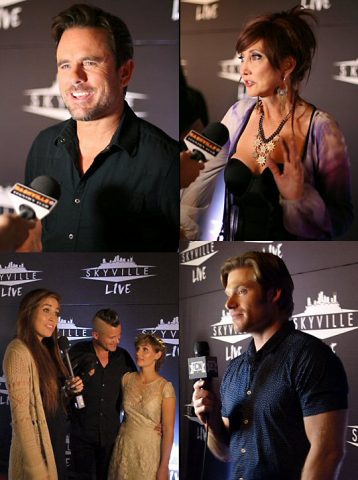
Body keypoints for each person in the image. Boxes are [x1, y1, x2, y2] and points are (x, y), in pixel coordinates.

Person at [181, 6, 353, 240]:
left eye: (256, 57)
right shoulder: (237, 114)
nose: (244, 70)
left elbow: (342, 219)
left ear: (287, 65)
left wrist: (299, 198)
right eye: (243, 57)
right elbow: (200, 182)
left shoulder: (322, 129)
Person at [24, 3, 179, 252]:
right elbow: (35, 235)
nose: (75, 76)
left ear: (125, 72)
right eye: (64, 65)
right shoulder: (43, 146)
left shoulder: (166, 161)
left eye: (90, 62)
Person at [192, 251, 348, 480]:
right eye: (228, 294)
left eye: (242, 291)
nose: (229, 303)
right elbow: (225, 452)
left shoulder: (311, 357)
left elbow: (327, 453)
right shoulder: (234, 369)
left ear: (274, 293)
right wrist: (212, 421)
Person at [2, 288, 83, 480]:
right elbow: (21, 418)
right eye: (46, 310)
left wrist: (67, 392)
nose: (53, 318)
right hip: (37, 453)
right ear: (29, 311)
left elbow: (47, 404)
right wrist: (36, 467)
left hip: (53, 442)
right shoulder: (18, 351)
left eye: (56, 313)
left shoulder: (46, 350)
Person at [68, 308, 136, 480]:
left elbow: (137, 390)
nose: (117, 340)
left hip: (111, 437)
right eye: (112, 337)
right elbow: (57, 388)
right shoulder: (76, 353)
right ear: (96, 335)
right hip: (81, 435)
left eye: (119, 335)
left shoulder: (123, 357)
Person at [109, 333, 176, 480]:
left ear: (157, 354)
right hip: (124, 448)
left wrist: (164, 466)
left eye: (145, 349)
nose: (138, 353)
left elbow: (169, 430)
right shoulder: (126, 379)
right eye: (138, 348)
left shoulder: (165, 387)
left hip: (149, 451)